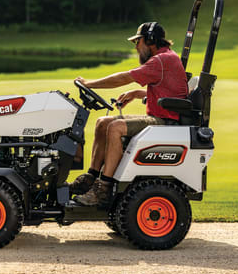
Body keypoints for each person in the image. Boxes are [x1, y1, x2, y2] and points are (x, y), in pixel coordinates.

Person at [70, 22, 188, 206]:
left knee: (116, 127)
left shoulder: (161, 60)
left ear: (150, 40)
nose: (136, 47)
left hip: (166, 120)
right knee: (102, 122)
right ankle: (91, 177)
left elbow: (125, 77)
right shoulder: (165, 58)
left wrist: (89, 83)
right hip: (163, 115)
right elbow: (166, 93)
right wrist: (137, 94)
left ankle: (104, 189)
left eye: (137, 41)